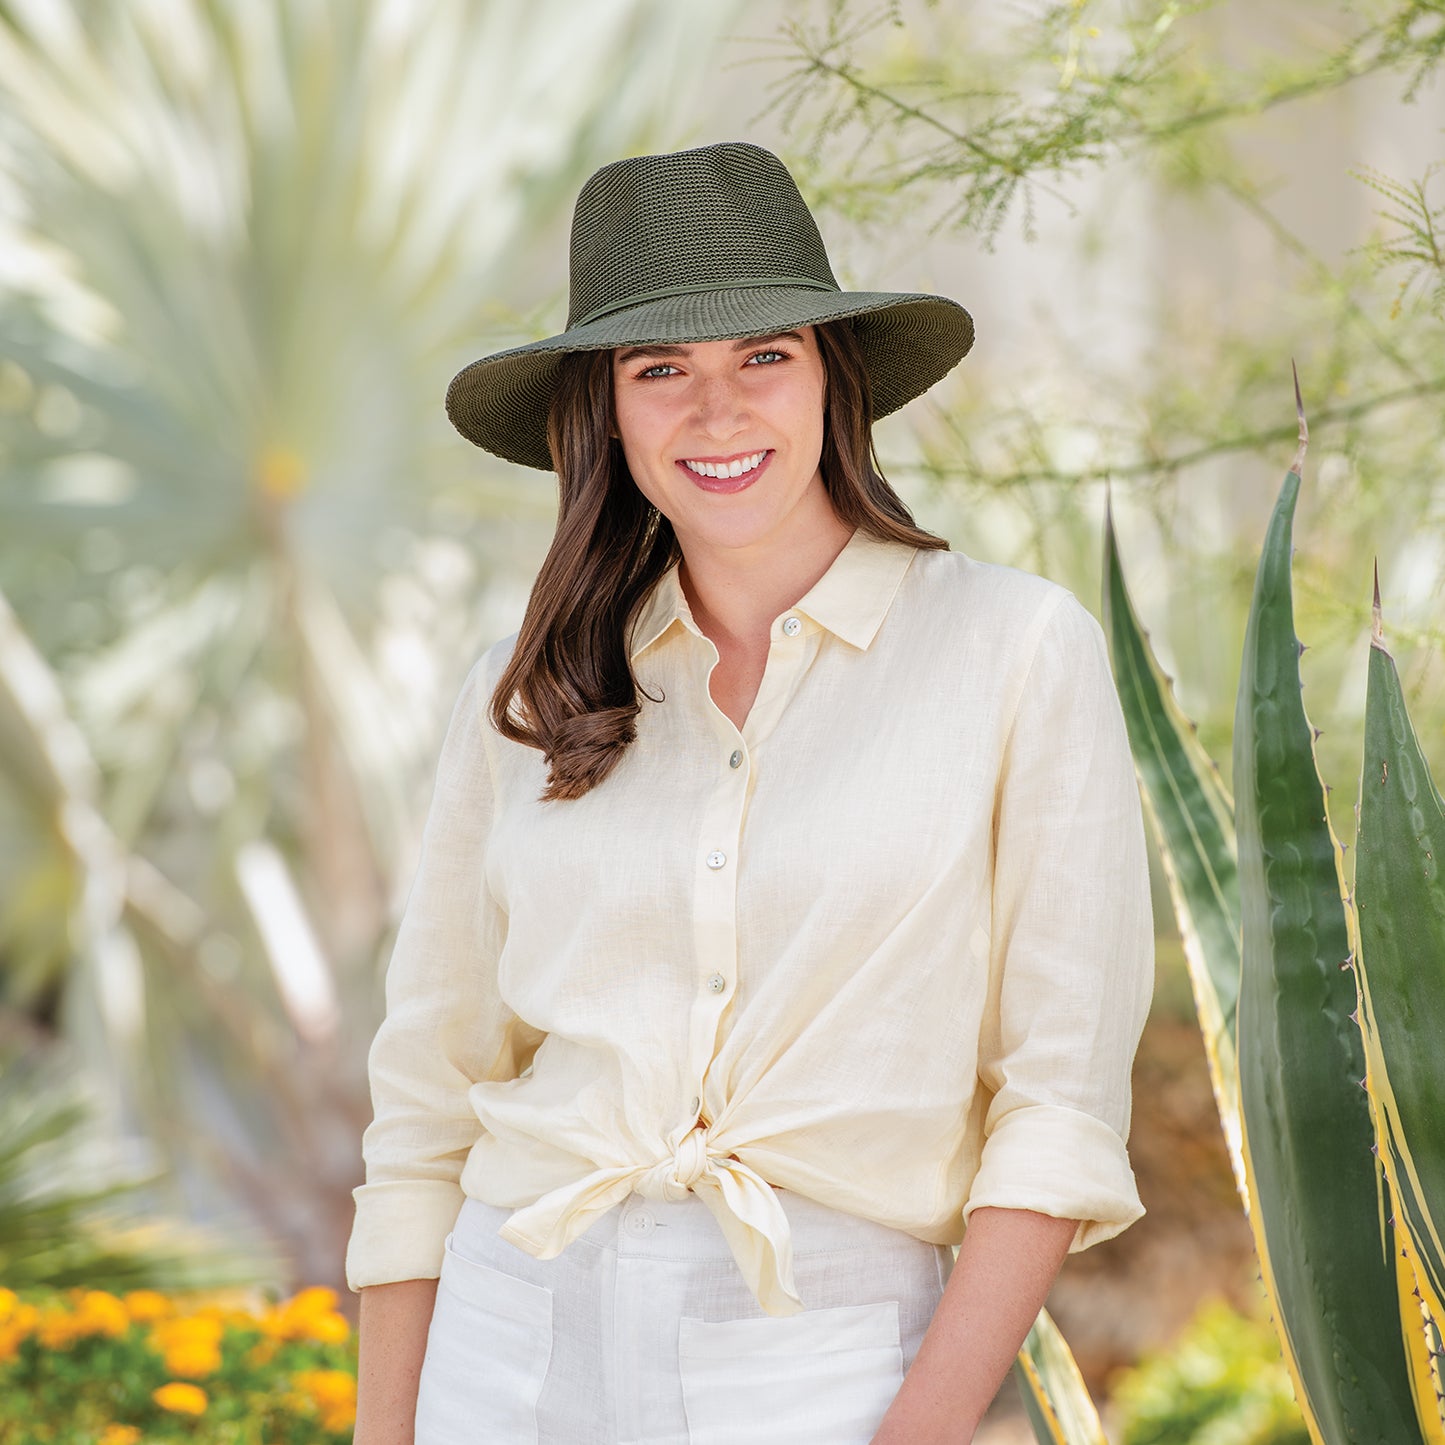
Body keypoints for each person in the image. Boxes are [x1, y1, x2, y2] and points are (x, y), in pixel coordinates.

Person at [346, 141, 1153, 1445]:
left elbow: (1055, 1105)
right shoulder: (518, 692)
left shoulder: (1014, 652)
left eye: (760, 358)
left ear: (832, 378)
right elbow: (427, 1096)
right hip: (504, 1347)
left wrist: (918, 1430)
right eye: (657, 371)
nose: (713, 415)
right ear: (603, 411)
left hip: (823, 1364)